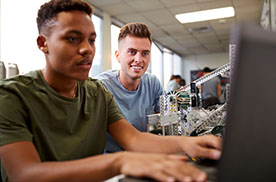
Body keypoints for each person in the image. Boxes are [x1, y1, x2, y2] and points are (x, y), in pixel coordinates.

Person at [0, 1, 221, 182]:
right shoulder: (12, 97)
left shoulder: (96, 93)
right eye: (73, 38)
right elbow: (24, 174)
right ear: (43, 43)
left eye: (91, 40)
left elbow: (134, 139)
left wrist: (190, 144)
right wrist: (120, 162)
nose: (87, 49)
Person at [95, 22, 164, 153]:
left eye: (145, 53)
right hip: (113, 163)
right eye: (132, 52)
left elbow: (166, 120)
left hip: (144, 155)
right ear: (117, 56)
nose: (138, 59)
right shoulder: (101, 87)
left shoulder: (152, 83)